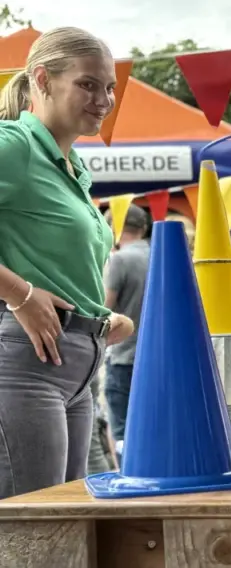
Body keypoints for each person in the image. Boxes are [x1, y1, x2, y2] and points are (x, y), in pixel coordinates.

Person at [0, 27, 134, 499]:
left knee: (64, 531)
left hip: (77, 368)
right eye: (88, 84)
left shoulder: (73, 167)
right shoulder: (14, 145)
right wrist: (22, 295)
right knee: (31, 533)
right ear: (42, 79)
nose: (104, 99)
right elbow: (30, 285)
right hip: (24, 363)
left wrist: (99, 315)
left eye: (110, 87)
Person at [103, 204, 151, 463]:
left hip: (124, 357)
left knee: (123, 434)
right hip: (160, 359)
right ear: (143, 228)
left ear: (113, 229)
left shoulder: (119, 260)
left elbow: (103, 309)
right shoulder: (161, 254)